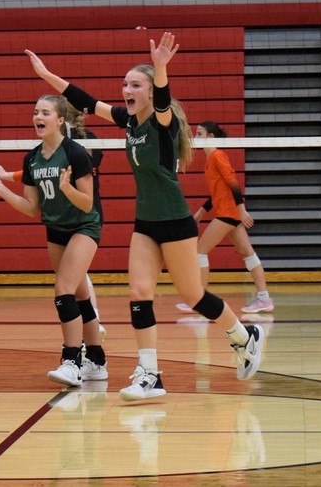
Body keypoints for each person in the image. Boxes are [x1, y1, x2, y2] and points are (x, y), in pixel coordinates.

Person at [26, 32, 266, 402]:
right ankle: (150, 374)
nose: (127, 88)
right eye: (125, 83)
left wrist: (160, 67)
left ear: (150, 92)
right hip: (145, 222)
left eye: (135, 84)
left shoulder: (160, 121)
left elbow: (166, 99)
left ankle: (243, 335)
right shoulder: (128, 121)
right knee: (138, 292)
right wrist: (47, 76)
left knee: (194, 295)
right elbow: (87, 101)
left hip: (175, 221)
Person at [0, 94, 108, 387]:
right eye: (36, 111)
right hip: (55, 228)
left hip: (84, 225)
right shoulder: (32, 158)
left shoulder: (75, 154)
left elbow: (87, 204)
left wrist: (67, 189)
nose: (38, 117)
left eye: (45, 112)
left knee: (63, 290)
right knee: (80, 295)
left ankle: (71, 360)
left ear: (60, 120)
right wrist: (0, 189)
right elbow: (31, 208)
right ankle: (96, 360)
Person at [176, 121, 274, 314]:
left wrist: (242, 209)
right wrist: (201, 212)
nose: (196, 137)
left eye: (200, 133)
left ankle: (199, 300)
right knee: (248, 254)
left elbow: (233, 183)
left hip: (228, 213)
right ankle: (264, 298)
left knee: (200, 250)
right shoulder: (210, 159)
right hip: (229, 212)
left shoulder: (217, 155)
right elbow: (218, 192)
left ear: (211, 137)